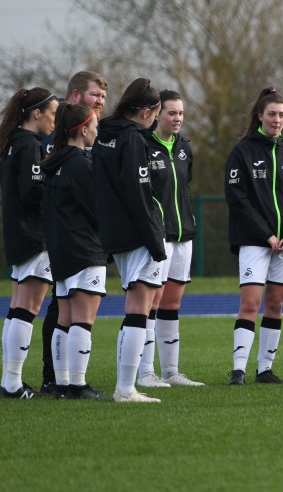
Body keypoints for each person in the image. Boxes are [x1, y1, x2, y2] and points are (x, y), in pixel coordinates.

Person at [224, 87, 283, 385]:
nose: (277, 120)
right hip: (254, 241)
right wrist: (266, 235)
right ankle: (238, 369)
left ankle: (265, 369)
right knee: (250, 303)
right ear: (260, 115)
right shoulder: (242, 152)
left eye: (282, 115)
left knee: (275, 304)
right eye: (272, 114)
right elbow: (238, 200)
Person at [92, 77, 167, 403]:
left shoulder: (104, 135)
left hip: (114, 233)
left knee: (135, 308)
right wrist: (155, 241)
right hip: (136, 234)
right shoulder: (135, 140)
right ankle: (125, 388)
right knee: (140, 309)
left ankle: (126, 386)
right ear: (148, 110)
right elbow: (138, 194)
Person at [40, 71, 108, 396]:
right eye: (94, 127)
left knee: (64, 318)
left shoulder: (54, 163)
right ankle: (78, 385)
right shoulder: (81, 163)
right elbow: (98, 209)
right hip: (85, 250)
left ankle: (63, 383)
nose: (96, 132)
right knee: (83, 318)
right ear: (83, 130)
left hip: (62, 251)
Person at [0, 87, 58, 399]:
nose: (55, 120)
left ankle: (9, 381)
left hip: (18, 232)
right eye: (53, 113)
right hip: (33, 235)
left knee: (17, 307)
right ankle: (13, 384)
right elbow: (32, 192)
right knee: (27, 308)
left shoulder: (14, 143)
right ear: (37, 113)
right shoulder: (30, 144)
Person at [136, 89, 204, 388]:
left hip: (183, 234)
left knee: (172, 302)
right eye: (171, 113)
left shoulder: (184, 148)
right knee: (152, 300)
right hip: (157, 234)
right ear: (156, 114)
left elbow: (185, 187)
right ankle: (146, 373)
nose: (177, 119)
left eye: (181, 113)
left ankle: (171, 371)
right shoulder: (142, 146)